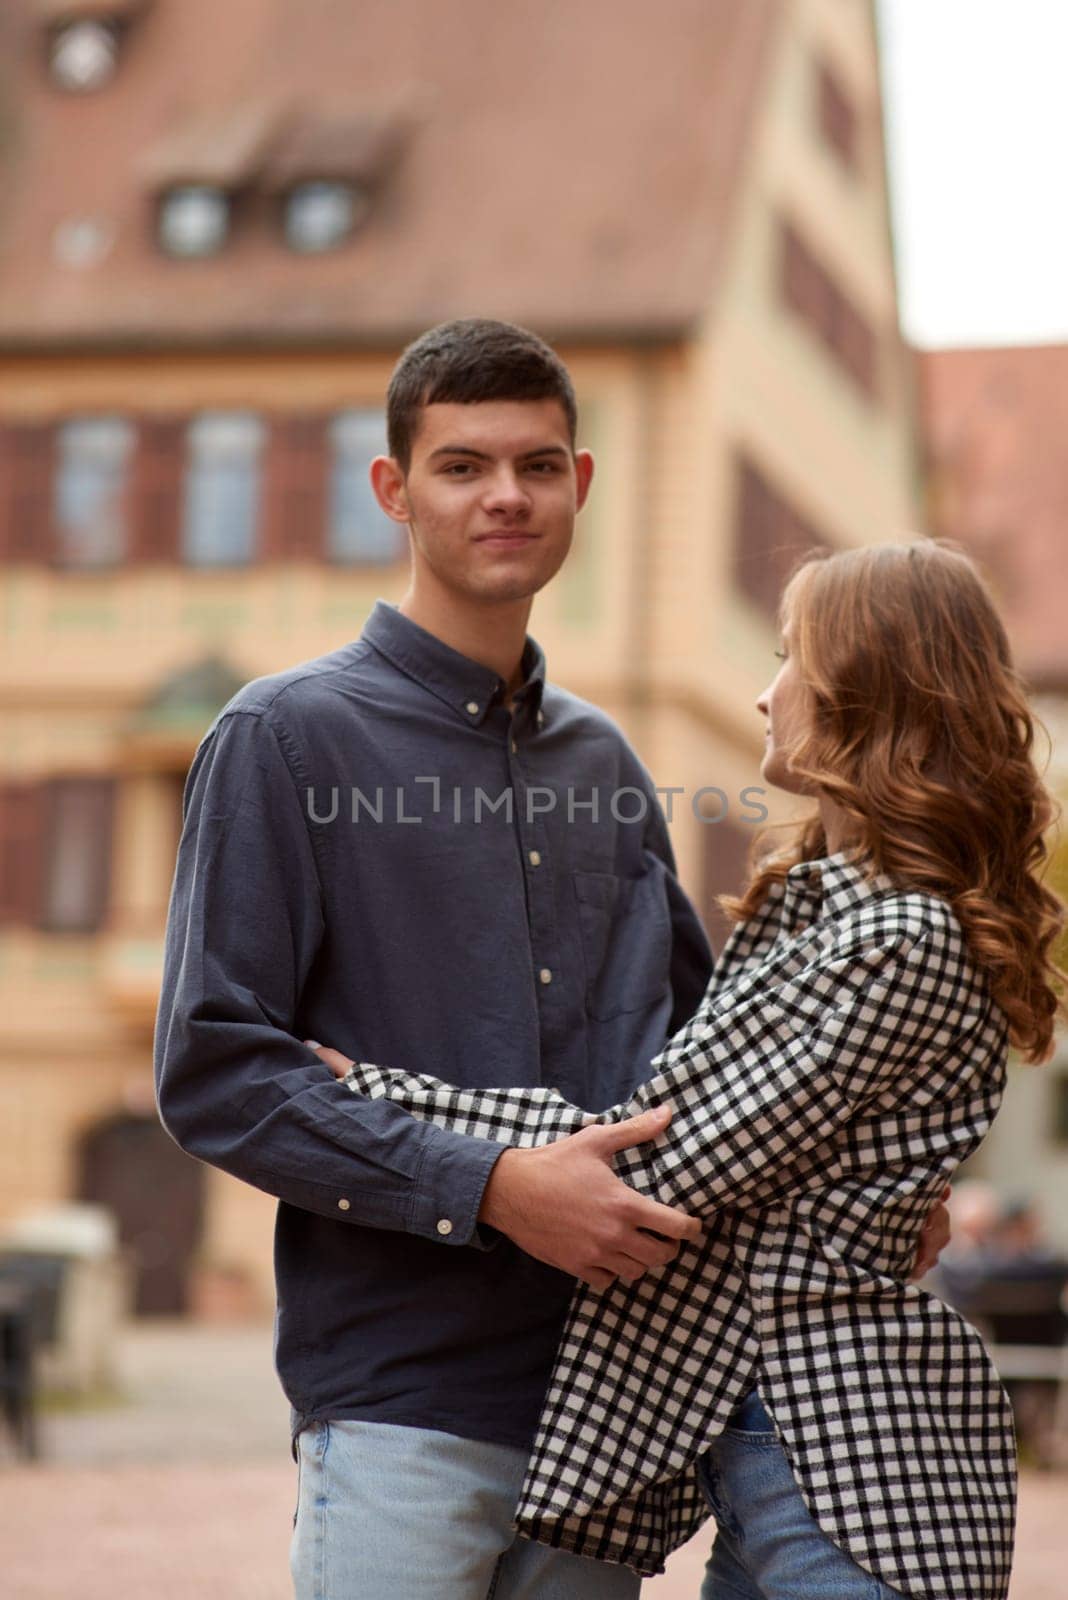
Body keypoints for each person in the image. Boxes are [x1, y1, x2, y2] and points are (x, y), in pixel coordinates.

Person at [154, 320, 948, 1600]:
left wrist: (865, 1180)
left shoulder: (611, 769)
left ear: (581, 484)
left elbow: (708, 1056)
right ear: (394, 490)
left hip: (611, 1413)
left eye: (535, 464)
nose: (505, 495)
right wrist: (494, 1183)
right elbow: (216, 1071)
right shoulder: (283, 738)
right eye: (462, 466)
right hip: (404, 1398)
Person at [309, 539, 1066, 1600]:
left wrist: (384, 1091)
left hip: (858, 1481)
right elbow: (665, 1116)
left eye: (791, 658)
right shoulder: (818, 914)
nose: (764, 694)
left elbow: (648, 1167)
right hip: (769, 1478)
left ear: (868, 692)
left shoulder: (899, 940)